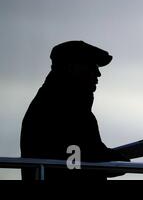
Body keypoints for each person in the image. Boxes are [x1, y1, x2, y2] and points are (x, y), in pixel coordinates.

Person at [20, 41, 129, 180]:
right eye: (92, 66)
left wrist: (107, 159)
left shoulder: (71, 107)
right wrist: (109, 159)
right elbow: (72, 155)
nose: (98, 73)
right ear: (72, 67)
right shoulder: (54, 108)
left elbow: (78, 155)